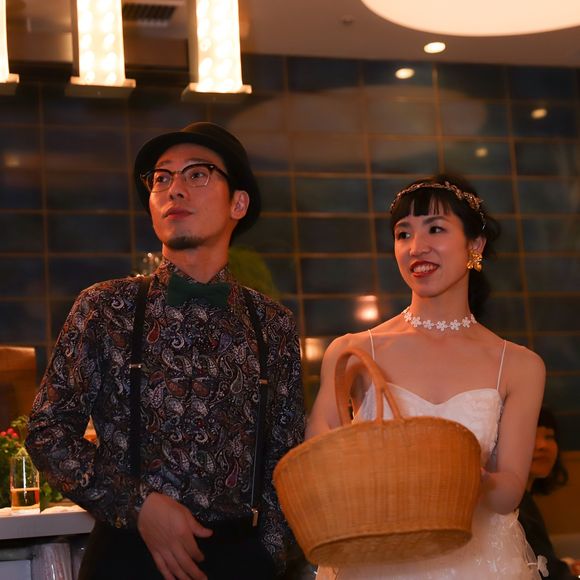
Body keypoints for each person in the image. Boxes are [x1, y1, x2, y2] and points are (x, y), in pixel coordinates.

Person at [25, 122, 305, 580]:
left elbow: (288, 456)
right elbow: (48, 432)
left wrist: (268, 554)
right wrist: (139, 507)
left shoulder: (272, 323)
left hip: (241, 560)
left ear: (238, 203)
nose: (175, 188)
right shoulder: (105, 307)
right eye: (162, 177)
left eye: (197, 174)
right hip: (127, 556)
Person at [306, 174, 546, 578]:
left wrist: (468, 478)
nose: (416, 247)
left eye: (435, 229)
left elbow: (508, 493)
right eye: (404, 234)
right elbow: (319, 457)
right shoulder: (354, 352)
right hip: (379, 563)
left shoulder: (520, 365)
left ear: (475, 246)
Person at [519, 407, 580, 579]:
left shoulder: (526, 499)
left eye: (549, 436)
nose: (542, 445)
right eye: (531, 435)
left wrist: (566, 566)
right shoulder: (513, 505)